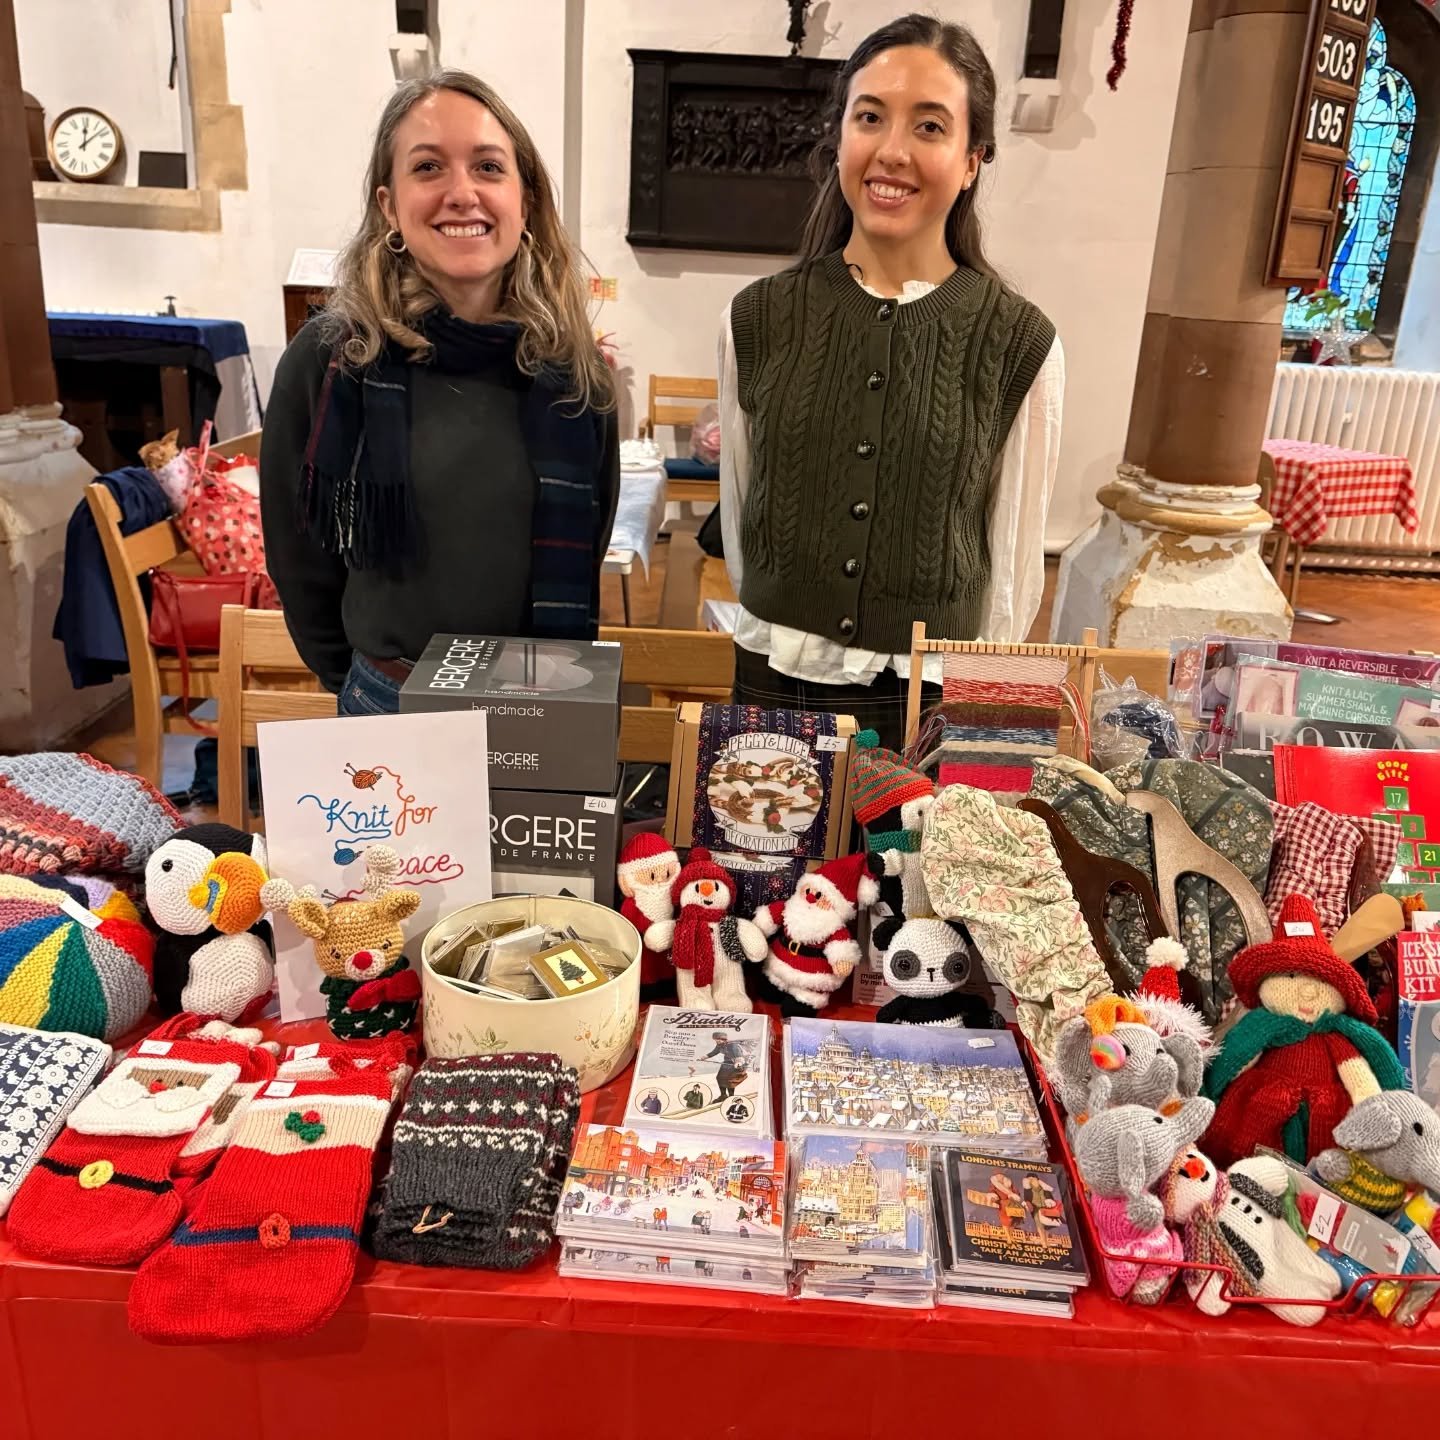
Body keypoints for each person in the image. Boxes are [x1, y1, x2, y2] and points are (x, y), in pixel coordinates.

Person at [718, 16, 1063, 751]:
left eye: (930, 127)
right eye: (870, 117)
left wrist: (986, 728)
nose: (893, 151)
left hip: (928, 704)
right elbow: (746, 521)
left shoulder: (1020, 343)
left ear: (972, 159)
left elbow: (1011, 576)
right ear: (840, 137)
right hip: (776, 680)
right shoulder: (755, 319)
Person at [261, 71, 618, 715]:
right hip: (388, 701)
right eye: (428, 167)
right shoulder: (332, 361)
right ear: (389, 205)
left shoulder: (575, 374)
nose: (463, 193)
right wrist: (364, 686)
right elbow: (302, 562)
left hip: (540, 699)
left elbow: (590, 538)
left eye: (488, 166)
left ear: (525, 199)